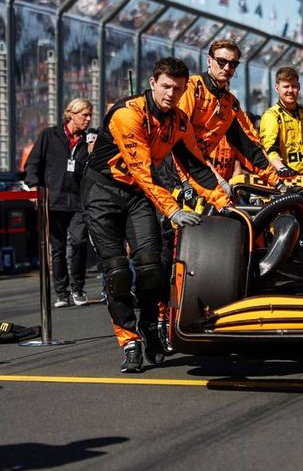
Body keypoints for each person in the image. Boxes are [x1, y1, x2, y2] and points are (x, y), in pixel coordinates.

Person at [83, 57, 231, 373]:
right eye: (165, 87)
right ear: (153, 83)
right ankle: (129, 340)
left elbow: (196, 167)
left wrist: (223, 203)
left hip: (137, 197)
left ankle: (150, 325)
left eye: (178, 89)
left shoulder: (178, 120)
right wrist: (173, 209)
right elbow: (143, 171)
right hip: (102, 192)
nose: (171, 94)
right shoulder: (127, 114)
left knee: (152, 267)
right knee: (117, 273)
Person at [176, 40, 281, 190]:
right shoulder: (192, 88)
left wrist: (279, 183)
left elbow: (250, 146)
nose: (227, 68)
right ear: (209, 60)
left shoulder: (230, 103)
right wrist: (210, 180)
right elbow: (176, 141)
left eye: (233, 64)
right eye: (221, 62)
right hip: (172, 171)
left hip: (197, 171)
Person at [25, 99, 93, 307]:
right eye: (84, 115)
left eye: (90, 115)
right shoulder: (49, 135)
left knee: (79, 242)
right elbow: (33, 163)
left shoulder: (90, 140)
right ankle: (61, 293)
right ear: (71, 115)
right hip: (53, 201)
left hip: (78, 202)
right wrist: (34, 186)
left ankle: (78, 288)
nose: (88, 119)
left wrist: (94, 152)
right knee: (58, 248)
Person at [260, 66, 303, 177]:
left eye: (294, 86)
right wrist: (281, 168)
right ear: (276, 88)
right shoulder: (271, 115)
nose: (290, 91)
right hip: (285, 179)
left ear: (299, 87)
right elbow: (269, 149)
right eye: (286, 86)